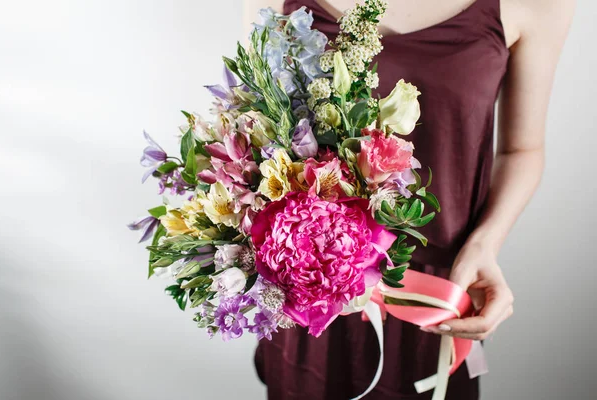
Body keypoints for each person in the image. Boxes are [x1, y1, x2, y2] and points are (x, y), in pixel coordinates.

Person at [243, 0, 575, 398]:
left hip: (432, 294)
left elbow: (522, 150)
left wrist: (485, 247)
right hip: (311, 283)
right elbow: (252, 130)